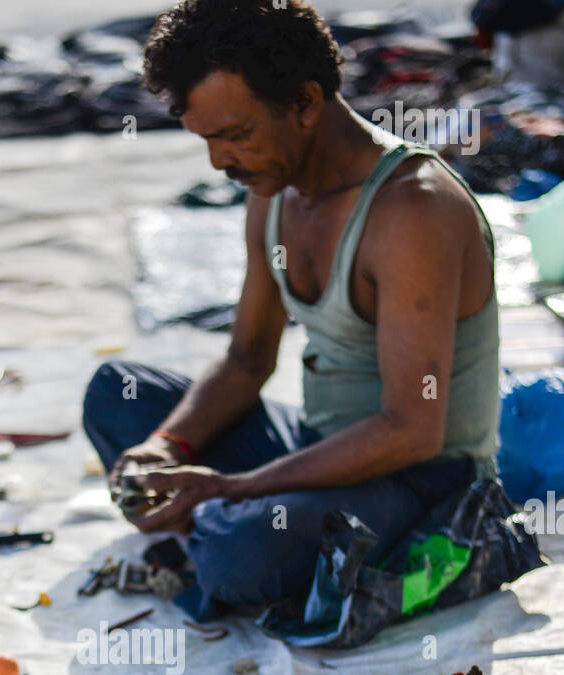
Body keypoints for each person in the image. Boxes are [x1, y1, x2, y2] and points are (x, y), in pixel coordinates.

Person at [82, 0, 501, 622]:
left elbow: (413, 430)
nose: (219, 162)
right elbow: (248, 358)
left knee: (244, 552)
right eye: (208, 141)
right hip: (320, 447)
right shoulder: (274, 186)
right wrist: (167, 446)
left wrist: (236, 486)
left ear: (305, 103)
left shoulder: (413, 209)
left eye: (235, 134)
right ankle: (227, 521)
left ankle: (225, 528)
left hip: (425, 484)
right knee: (117, 394)